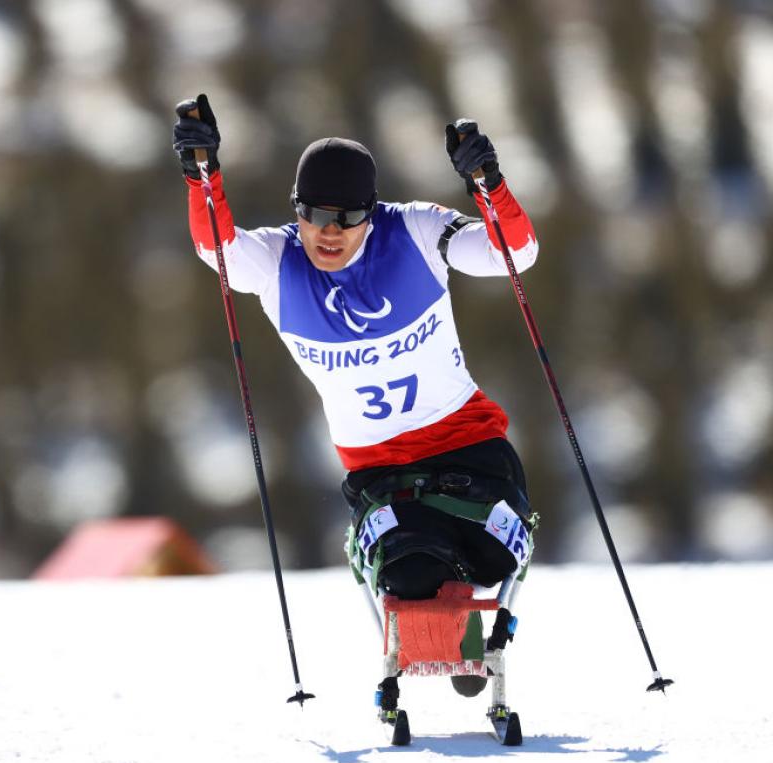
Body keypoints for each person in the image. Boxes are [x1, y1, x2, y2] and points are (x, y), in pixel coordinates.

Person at [172, 95, 539, 681]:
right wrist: (203, 177)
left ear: (372, 211)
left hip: (468, 443)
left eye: (346, 217)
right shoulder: (277, 260)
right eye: (314, 214)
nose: (329, 231)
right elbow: (216, 250)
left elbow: (514, 254)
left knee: (495, 555)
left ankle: (459, 632)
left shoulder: (414, 230)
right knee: (411, 573)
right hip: (379, 467)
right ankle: (452, 635)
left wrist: (489, 184)